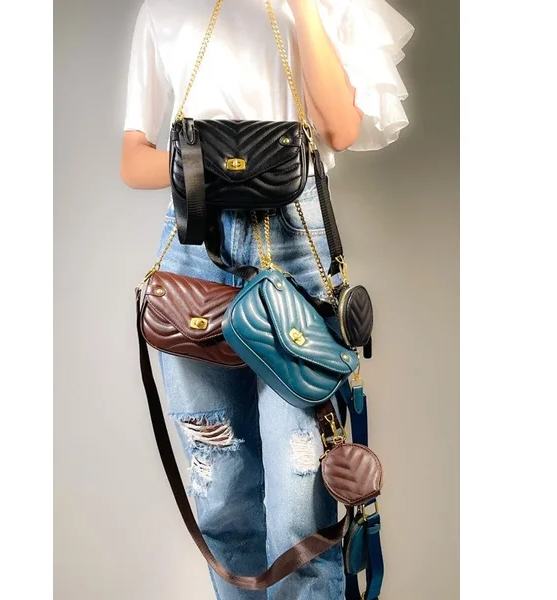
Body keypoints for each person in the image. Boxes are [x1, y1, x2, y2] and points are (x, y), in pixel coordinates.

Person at [120, 1, 413, 598]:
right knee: (220, 489)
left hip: (293, 239)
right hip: (194, 247)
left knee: (299, 501)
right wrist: (222, 168)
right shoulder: (165, 10)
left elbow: (340, 129)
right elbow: (133, 160)